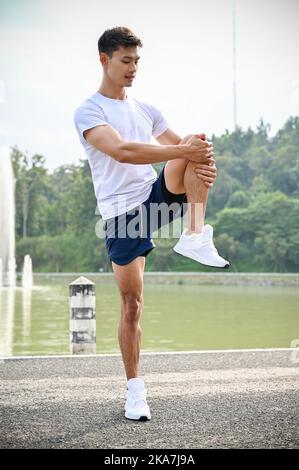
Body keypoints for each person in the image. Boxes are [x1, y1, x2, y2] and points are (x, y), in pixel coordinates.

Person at [74, 26, 229, 422]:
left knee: (197, 145)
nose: (133, 69)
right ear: (104, 60)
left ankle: (195, 236)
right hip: (121, 216)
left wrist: (203, 163)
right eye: (125, 61)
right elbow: (123, 152)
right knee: (132, 305)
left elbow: (188, 151)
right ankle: (135, 391)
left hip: (153, 199)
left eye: (137, 61)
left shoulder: (147, 109)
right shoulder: (89, 111)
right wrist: (185, 151)